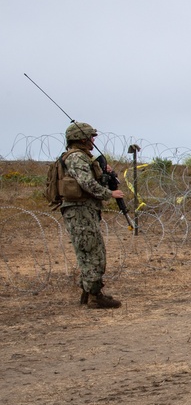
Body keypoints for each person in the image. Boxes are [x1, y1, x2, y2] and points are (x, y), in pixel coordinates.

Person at [58, 122, 125, 308]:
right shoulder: (77, 158)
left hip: (84, 210)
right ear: (81, 139)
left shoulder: (82, 158)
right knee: (93, 253)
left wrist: (104, 173)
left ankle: (89, 293)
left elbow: (88, 180)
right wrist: (109, 194)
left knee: (91, 252)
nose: (93, 140)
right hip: (80, 212)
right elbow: (86, 183)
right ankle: (94, 297)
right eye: (90, 137)